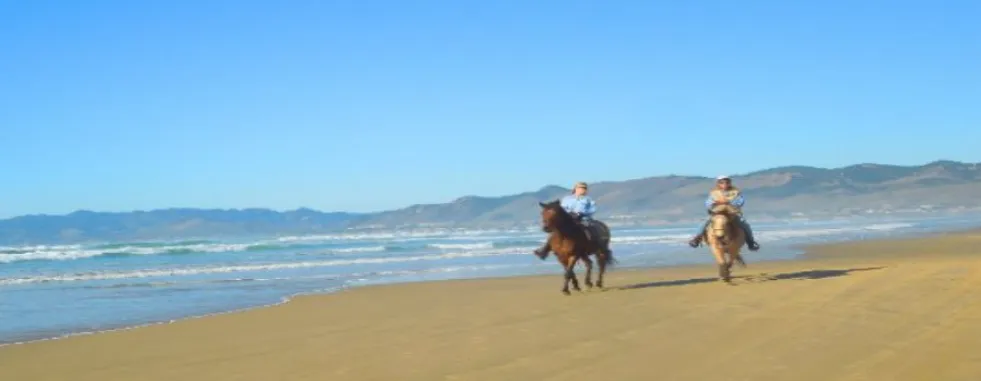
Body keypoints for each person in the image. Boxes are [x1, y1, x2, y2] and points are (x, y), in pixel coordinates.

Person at [688, 175, 760, 251]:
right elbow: (708, 203)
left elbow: (740, 201)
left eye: (727, 182)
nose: (724, 184)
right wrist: (716, 202)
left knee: (745, 224)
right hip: (717, 213)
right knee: (704, 222)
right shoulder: (714, 192)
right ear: (718, 184)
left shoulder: (735, 192)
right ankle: (697, 238)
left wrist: (729, 202)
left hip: (731, 213)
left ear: (729, 183)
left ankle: (750, 242)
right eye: (722, 183)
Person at [534, 182, 596, 258]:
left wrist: (582, 213)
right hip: (569, 218)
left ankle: (591, 246)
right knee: (556, 231)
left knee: (587, 229)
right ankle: (544, 250)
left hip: (583, 218)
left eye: (584, 188)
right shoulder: (567, 199)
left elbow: (592, 210)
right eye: (580, 188)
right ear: (575, 189)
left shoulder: (588, 199)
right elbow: (562, 209)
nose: (582, 190)